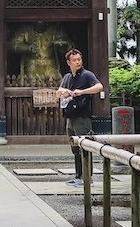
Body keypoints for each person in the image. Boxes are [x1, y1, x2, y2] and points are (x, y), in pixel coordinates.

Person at [56, 48, 103, 186]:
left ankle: (88, 178)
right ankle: (78, 176)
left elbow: (99, 87)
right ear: (68, 62)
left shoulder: (87, 75)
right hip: (70, 116)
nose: (77, 62)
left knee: (85, 147)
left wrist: (82, 91)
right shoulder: (67, 77)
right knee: (75, 148)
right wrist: (64, 91)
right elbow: (58, 92)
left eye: (79, 59)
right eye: (74, 60)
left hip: (83, 116)